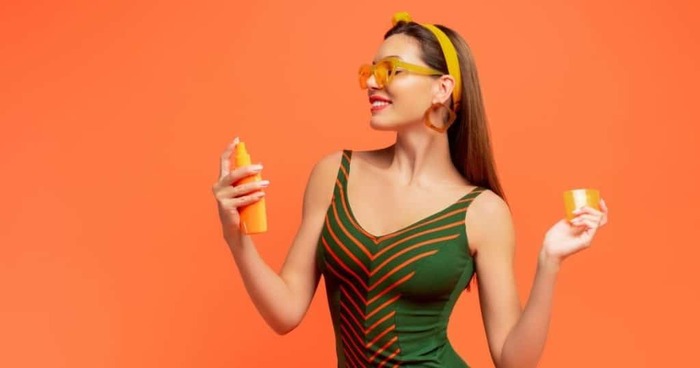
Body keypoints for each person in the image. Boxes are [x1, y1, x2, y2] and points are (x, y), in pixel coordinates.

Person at [212, 12, 609, 368]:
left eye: (391, 70)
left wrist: (549, 261)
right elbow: (285, 313)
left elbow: (511, 359)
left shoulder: (482, 212)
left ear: (442, 89)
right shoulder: (333, 174)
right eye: (369, 70)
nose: (371, 82)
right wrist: (237, 239)